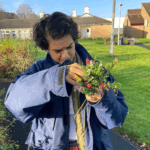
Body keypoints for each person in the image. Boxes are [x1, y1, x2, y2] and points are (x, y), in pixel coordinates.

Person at [4, 12, 128, 150]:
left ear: (74, 40)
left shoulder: (96, 70)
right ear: (46, 48)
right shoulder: (39, 69)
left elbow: (118, 118)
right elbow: (14, 102)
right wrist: (55, 78)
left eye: (69, 47)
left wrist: (102, 98)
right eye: (57, 50)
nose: (65, 55)